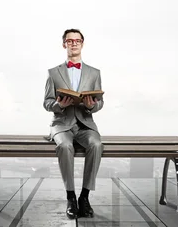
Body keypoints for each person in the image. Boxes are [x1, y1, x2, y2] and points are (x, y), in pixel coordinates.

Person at [43, 28, 104, 219]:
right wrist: (58, 105)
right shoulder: (53, 73)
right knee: (64, 145)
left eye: (77, 40)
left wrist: (91, 106)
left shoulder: (94, 73)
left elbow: (100, 102)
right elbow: (46, 102)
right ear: (64, 44)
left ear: (82, 44)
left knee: (96, 144)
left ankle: (84, 197)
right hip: (62, 124)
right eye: (70, 41)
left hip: (85, 124)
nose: (74, 43)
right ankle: (71, 197)